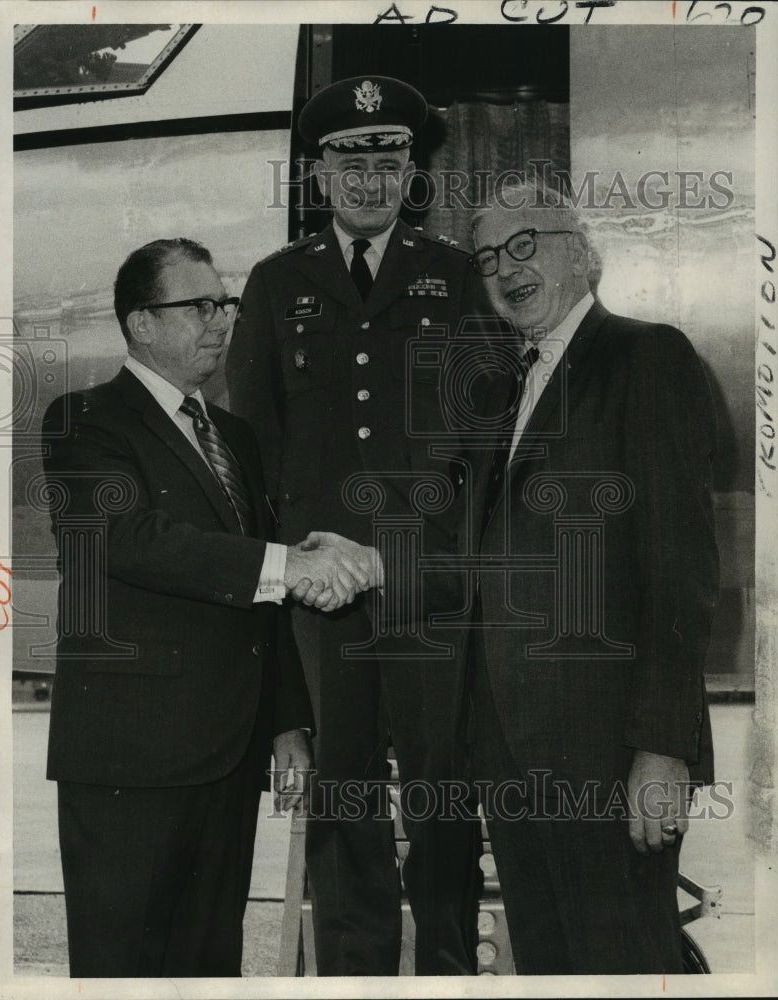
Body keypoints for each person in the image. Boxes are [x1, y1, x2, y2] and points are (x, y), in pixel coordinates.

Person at [42, 237, 380, 978]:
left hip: (226, 758)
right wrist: (293, 563)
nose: (220, 320)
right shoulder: (85, 422)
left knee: (208, 964)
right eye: (198, 305)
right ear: (140, 323)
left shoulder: (235, 437)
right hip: (129, 761)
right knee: (125, 967)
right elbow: (130, 540)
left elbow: (259, 599)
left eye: (224, 303)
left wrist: (287, 720)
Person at [226, 76, 487, 975]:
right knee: (342, 799)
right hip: (320, 593)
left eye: (387, 161)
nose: (369, 180)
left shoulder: (455, 277)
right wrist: (280, 567)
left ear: (410, 171)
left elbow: (483, 440)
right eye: (350, 161)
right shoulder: (276, 283)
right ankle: (354, 974)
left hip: (425, 584)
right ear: (320, 173)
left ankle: (450, 967)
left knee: (442, 794)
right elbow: (251, 447)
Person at [459, 184, 719, 973]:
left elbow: (680, 570)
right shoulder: (507, 387)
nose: (505, 269)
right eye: (487, 258)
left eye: (524, 244)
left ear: (580, 249)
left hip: (609, 753)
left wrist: (663, 750)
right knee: (546, 962)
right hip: (512, 748)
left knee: (622, 962)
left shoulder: (646, 355)